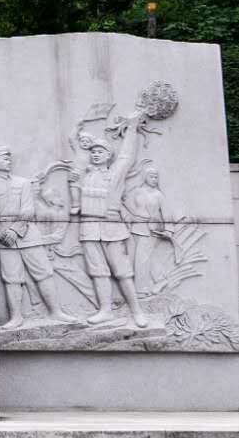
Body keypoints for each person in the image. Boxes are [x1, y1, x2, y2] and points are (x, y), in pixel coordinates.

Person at [0, 145, 78, 329]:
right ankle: (16, 317)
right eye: (4, 158)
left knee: (44, 273)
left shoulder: (23, 183)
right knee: (12, 278)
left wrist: (15, 230)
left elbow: (28, 210)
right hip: (3, 238)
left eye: (9, 158)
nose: (8, 161)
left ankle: (56, 311)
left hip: (27, 234)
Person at [70, 117, 149, 327]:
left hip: (111, 228)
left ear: (108, 156)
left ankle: (137, 311)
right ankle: (105, 311)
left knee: (122, 272)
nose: (95, 154)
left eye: (100, 151)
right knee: (98, 272)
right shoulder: (84, 175)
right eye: (93, 152)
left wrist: (131, 128)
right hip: (88, 228)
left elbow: (126, 156)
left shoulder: (114, 174)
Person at [124, 167, 172, 295]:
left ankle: (141, 289)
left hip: (152, 230)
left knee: (142, 258)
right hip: (136, 228)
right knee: (144, 257)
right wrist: (132, 216)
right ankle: (161, 279)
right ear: (145, 177)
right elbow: (126, 201)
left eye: (156, 177)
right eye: (151, 176)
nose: (154, 179)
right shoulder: (137, 191)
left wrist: (169, 229)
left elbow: (166, 212)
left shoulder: (158, 195)